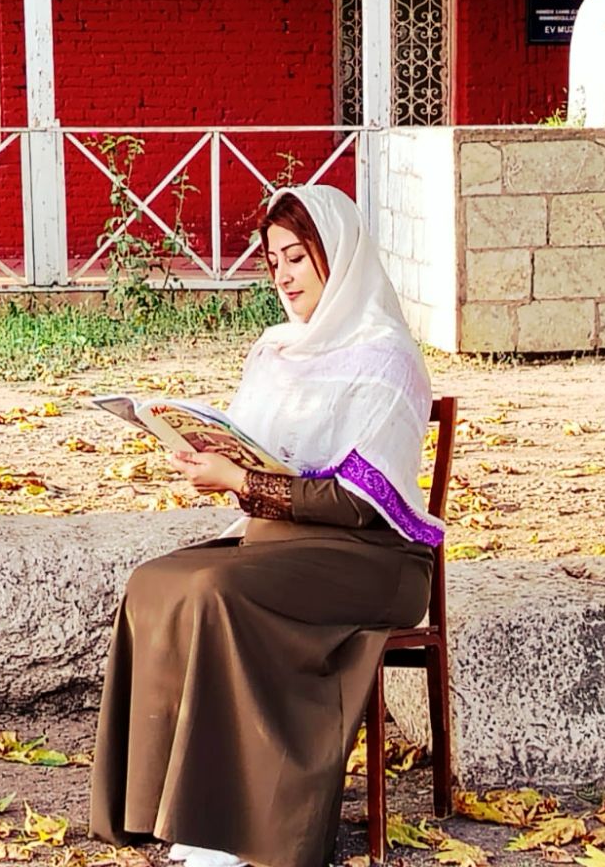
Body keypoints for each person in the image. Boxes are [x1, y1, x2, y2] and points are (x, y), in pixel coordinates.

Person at [89, 184, 445, 867]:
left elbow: (361, 502)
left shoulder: (387, 358)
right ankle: (158, 810)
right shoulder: (275, 351)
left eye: (297, 257)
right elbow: (257, 451)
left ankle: (232, 827)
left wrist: (242, 482)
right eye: (273, 260)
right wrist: (206, 453)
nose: (283, 275)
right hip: (277, 542)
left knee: (215, 593)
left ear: (337, 256)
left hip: (371, 558)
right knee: (152, 582)